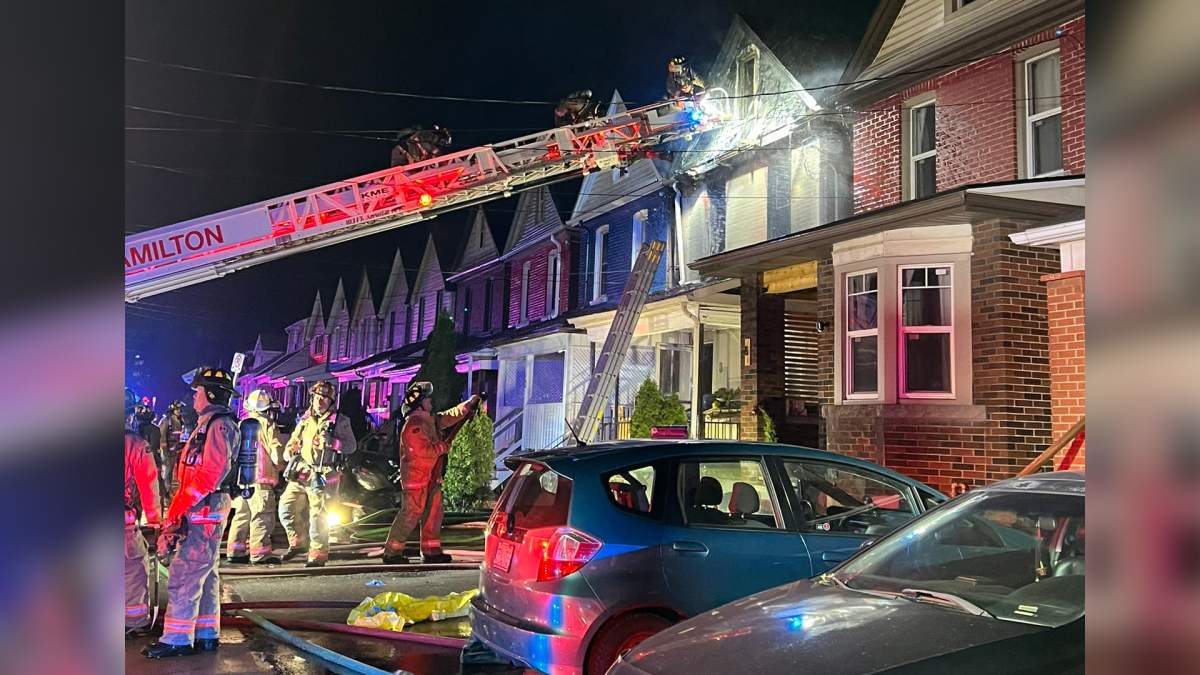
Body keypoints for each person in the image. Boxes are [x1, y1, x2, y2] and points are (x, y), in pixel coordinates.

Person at [142, 367, 240, 659]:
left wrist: (181, 505)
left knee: (186, 572)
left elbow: (211, 472)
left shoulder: (218, 426)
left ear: (209, 394)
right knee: (206, 573)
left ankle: (177, 638)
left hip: (203, 509)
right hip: (205, 508)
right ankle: (207, 633)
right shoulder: (208, 423)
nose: (193, 398)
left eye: (196, 392)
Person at [382, 382, 483, 565]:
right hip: (416, 478)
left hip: (431, 476)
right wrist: (442, 447)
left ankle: (431, 550)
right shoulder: (415, 424)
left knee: (434, 513)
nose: (431, 402)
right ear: (419, 402)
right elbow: (420, 451)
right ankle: (392, 552)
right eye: (428, 398)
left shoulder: (429, 420)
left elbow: (449, 417)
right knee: (411, 513)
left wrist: (468, 405)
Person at [278, 381, 357, 567]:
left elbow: (351, 446)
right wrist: (290, 449)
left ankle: (318, 554)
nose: (320, 401)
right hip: (303, 470)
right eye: (317, 397)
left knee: (319, 515)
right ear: (312, 398)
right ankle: (298, 544)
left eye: (325, 398)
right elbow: (293, 441)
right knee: (286, 508)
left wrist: (333, 443)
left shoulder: (340, 421)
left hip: (325, 472)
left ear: (331, 402)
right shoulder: (305, 419)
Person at [225, 388, 285, 565]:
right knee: (262, 515)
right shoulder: (267, 424)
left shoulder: (241, 424)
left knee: (242, 515)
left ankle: (235, 552)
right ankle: (260, 553)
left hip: (242, 480)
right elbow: (276, 453)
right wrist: (281, 466)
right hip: (261, 479)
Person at [125, 388, 161, 638]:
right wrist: (156, 520)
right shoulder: (134, 443)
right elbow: (148, 483)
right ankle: (133, 620)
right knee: (133, 566)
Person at [157, 401, 188, 494]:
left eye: (180, 409)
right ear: (172, 409)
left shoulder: (179, 420)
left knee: (170, 471)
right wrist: (164, 451)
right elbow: (162, 436)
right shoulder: (166, 420)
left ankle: (168, 489)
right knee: (166, 471)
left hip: (174, 450)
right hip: (167, 450)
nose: (179, 411)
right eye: (177, 409)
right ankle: (162, 492)